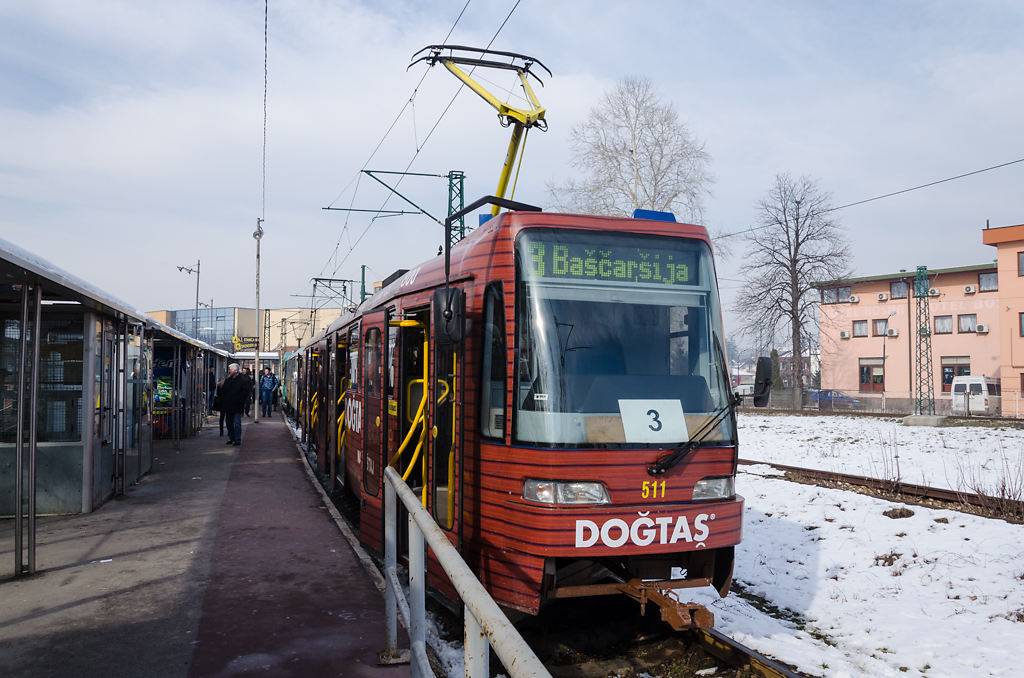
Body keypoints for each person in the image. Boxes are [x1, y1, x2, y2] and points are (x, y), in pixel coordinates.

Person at [219, 363, 249, 446]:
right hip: (228, 406)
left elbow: (245, 393)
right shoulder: (228, 380)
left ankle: (237, 439)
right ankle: (231, 438)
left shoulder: (242, 380)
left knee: (237, 423)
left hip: (237, 406)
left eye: (231, 370)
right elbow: (223, 391)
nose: (229, 371)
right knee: (228, 423)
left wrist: (239, 400)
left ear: (235, 370)